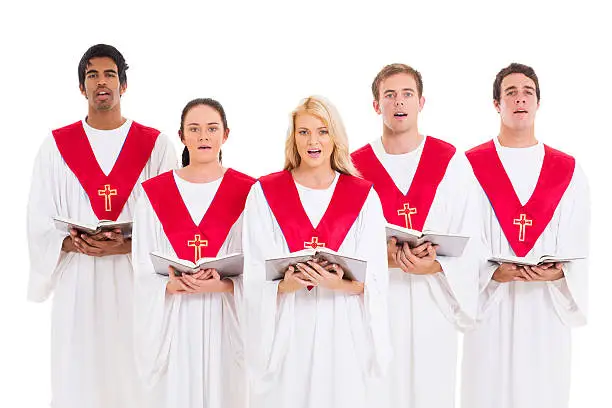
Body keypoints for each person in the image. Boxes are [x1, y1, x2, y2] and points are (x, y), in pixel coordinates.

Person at [26, 44, 177, 408]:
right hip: (78, 283)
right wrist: (69, 243)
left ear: (123, 85)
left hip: (134, 281)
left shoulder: (155, 145)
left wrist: (126, 245)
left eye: (110, 74)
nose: (101, 82)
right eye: (91, 75)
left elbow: (174, 217)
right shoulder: (57, 146)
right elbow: (38, 216)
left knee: (135, 375)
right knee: (79, 374)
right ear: (82, 88)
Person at [242, 96, 391, 408]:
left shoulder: (362, 196)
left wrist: (337, 284)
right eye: (303, 132)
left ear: (335, 137)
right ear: (293, 138)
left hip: (342, 327)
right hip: (287, 328)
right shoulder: (265, 193)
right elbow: (255, 270)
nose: (313, 141)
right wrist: (287, 285)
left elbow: (376, 277)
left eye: (322, 131)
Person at [351, 63, 482, 408]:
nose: (399, 102)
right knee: (378, 390)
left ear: (421, 102)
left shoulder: (450, 159)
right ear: (376, 105)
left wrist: (436, 266)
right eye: (389, 95)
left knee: (432, 388)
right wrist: (384, 257)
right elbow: (344, 237)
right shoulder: (355, 166)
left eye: (407, 94)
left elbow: (472, 233)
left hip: (432, 301)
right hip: (379, 301)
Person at [462, 63, 590, 408]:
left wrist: (561, 270)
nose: (520, 99)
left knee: (543, 389)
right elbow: (461, 233)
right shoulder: (470, 167)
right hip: (492, 303)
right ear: (496, 104)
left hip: (545, 307)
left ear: (538, 103)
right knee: (487, 388)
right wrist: (490, 272)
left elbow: (579, 237)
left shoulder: (567, 169)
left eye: (527, 92)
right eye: (510, 92)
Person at [132, 98, 254, 408]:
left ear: (225, 135)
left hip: (225, 316)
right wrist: (168, 285)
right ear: (182, 135)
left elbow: (259, 263)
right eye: (194, 129)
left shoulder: (249, 192)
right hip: (175, 318)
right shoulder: (153, 192)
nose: (203, 137)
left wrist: (225, 284)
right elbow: (142, 265)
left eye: (212, 129)